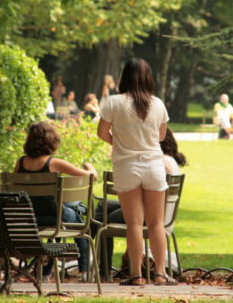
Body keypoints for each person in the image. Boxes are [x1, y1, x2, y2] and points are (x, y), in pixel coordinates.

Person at [97, 57, 177, 286]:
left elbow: (102, 133)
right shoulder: (158, 104)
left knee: (133, 223)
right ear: (148, 78)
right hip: (154, 165)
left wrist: (121, 143)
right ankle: (160, 274)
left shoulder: (113, 102)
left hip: (126, 166)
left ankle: (136, 276)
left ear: (124, 77)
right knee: (156, 223)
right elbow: (161, 137)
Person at [90, 127, 186, 280]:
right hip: (158, 212)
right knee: (103, 206)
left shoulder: (161, 163)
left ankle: (101, 270)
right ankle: (88, 252)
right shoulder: (170, 160)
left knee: (104, 222)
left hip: (150, 215)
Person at [13, 121, 98, 283]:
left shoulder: (20, 163)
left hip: (31, 218)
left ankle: (45, 273)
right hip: (54, 216)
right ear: (51, 139)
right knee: (78, 219)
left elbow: (15, 190)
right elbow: (92, 177)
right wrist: (90, 166)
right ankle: (86, 270)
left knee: (61, 220)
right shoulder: (54, 163)